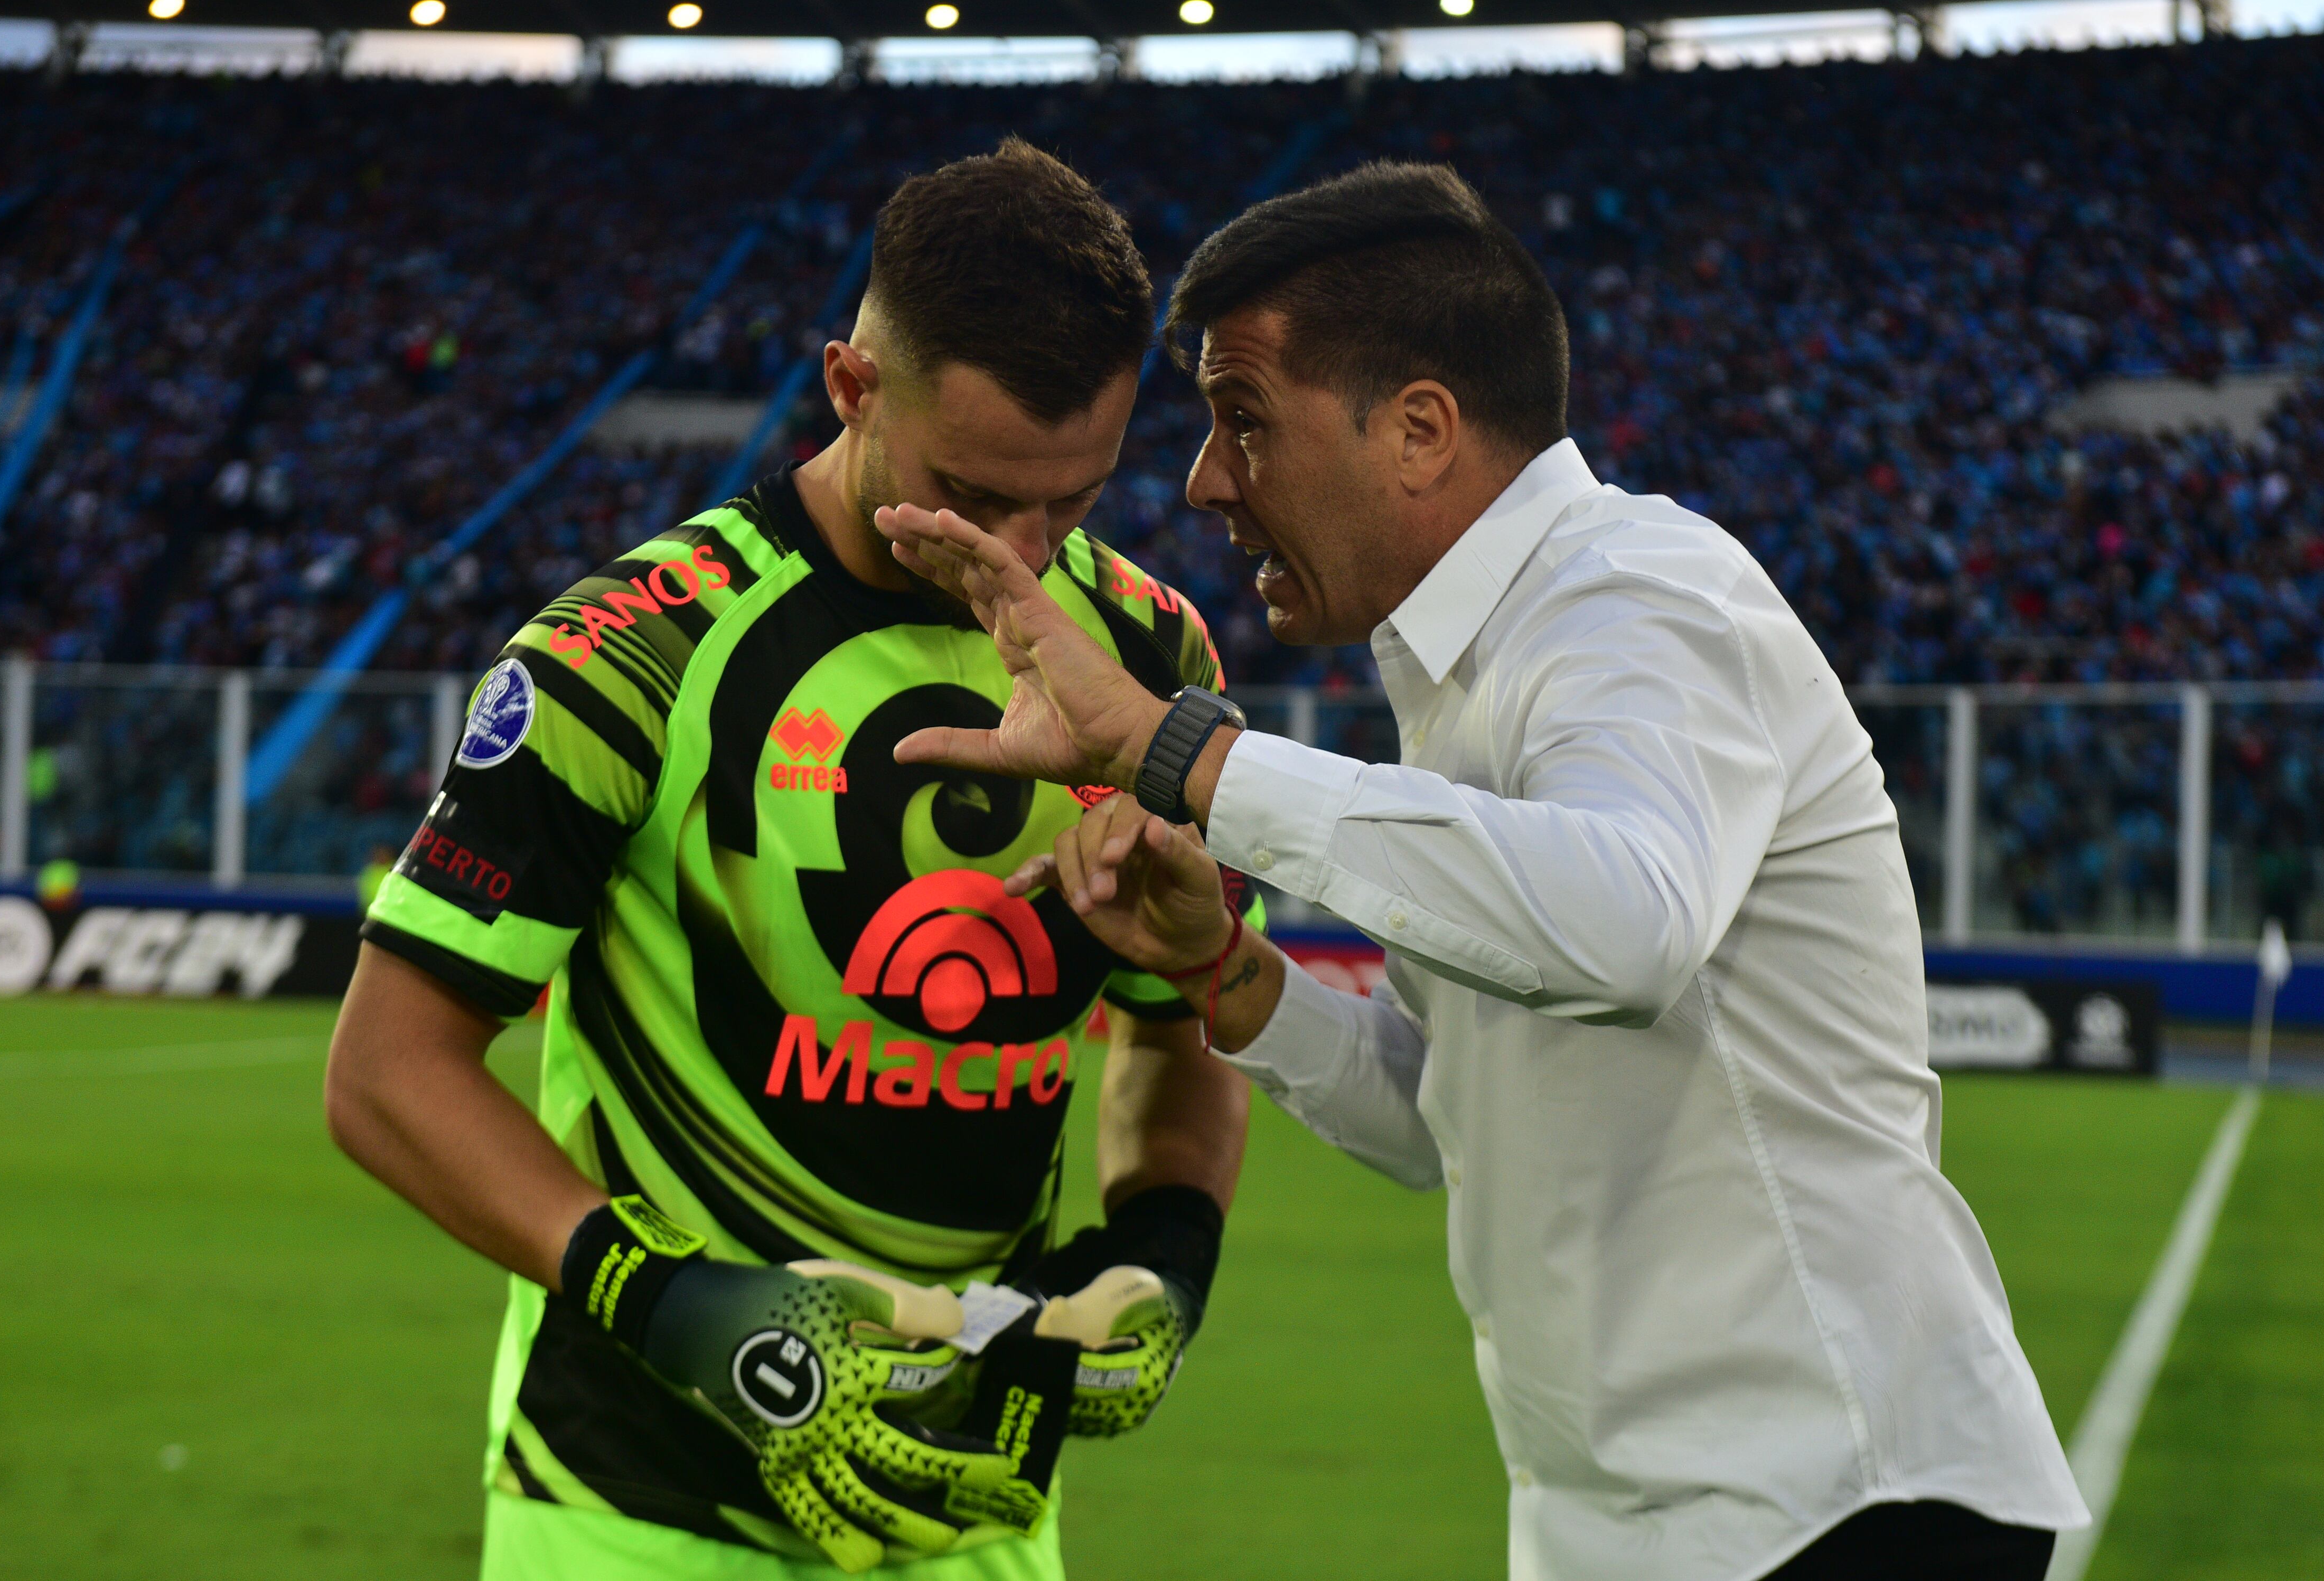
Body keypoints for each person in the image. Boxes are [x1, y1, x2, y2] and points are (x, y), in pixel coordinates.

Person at [875, 162, 2088, 1581]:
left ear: (1421, 431)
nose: (1206, 481)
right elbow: (1455, 1118)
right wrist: (1230, 974)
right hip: (1641, 1528)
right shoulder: (1470, 672)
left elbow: (1631, 929)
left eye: (1244, 422)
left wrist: (1176, 749)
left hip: (1835, 1506)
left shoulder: (1637, 596)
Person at [325, 140, 1255, 1581]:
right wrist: (675, 1307)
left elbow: (1172, 1029)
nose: (1017, 552)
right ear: (852, 385)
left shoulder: (1148, 657)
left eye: (1071, 501)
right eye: (971, 492)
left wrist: (1166, 1256)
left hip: (974, 1504)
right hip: (630, 1504)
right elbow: (389, 1072)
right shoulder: (623, 658)